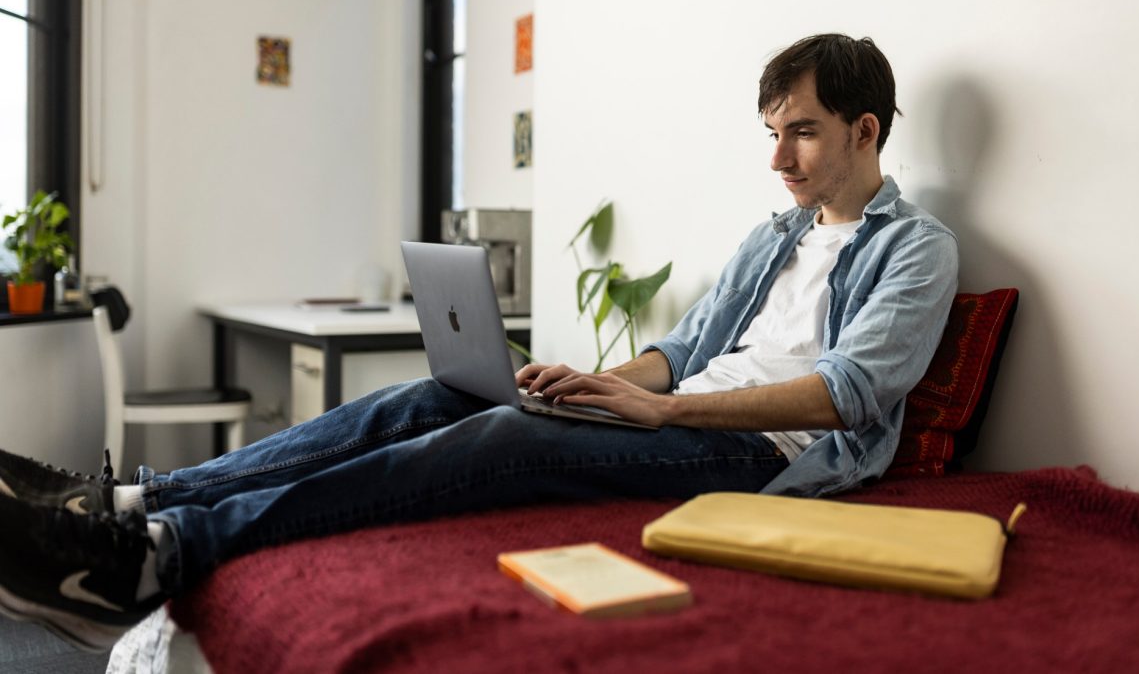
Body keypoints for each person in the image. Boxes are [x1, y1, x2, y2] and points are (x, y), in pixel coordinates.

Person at [0, 33, 957, 650]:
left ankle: (160, 554)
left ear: (865, 131)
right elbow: (681, 344)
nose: (778, 159)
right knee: (441, 398)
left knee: (496, 442)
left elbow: (846, 393)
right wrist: (592, 382)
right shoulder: (774, 235)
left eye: (802, 134)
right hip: (687, 413)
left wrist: (666, 408)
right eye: (771, 133)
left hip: (763, 453)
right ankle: (133, 499)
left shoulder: (919, 251)